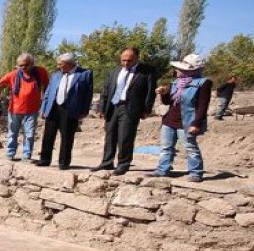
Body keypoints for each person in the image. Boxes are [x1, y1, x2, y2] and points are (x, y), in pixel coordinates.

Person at [0, 53, 50, 162]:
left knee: (29, 134)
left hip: (32, 110)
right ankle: (10, 153)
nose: (23, 68)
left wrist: (46, 104)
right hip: (15, 110)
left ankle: (26, 155)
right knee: (12, 133)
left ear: (32, 64)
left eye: (25, 65)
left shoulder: (40, 72)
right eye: (20, 65)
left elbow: (48, 87)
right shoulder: (14, 75)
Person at [93, 47, 158, 175]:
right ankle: (107, 162)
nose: (126, 63)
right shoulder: (114, 72)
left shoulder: (147, 72)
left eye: (129, 60)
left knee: (125, 137)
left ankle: (123, 163)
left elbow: (150, 93)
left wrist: (146, 110)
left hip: (130, 108)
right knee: (110, 135)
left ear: (137, 58)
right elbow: (106, 91)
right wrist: (102, 108)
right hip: (113, 106)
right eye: (123, 60)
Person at [147, 54, 212, 183]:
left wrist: (196, 123)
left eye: (180, 69)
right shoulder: (176, 83)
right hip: (170, 120)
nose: (177, 71)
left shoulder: (203, 83)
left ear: (190, 70)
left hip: (187, 121)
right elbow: (168, 102)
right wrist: (163, 93)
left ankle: (196, 172)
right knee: (166, 147)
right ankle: (163, 169)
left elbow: (202, 106)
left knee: (190, 148)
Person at [37, 53, 94, 169]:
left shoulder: (84, 74)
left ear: (70, 64)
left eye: (61, 65)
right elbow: (48, 92)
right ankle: (44, 159)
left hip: (70, 109)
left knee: (67, 136)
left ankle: (63, 162)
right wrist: (43, 109)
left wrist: (84, 110)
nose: (59, 67)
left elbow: (88, 94)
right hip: (53, 107)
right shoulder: (56, 75)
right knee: (48, 135)